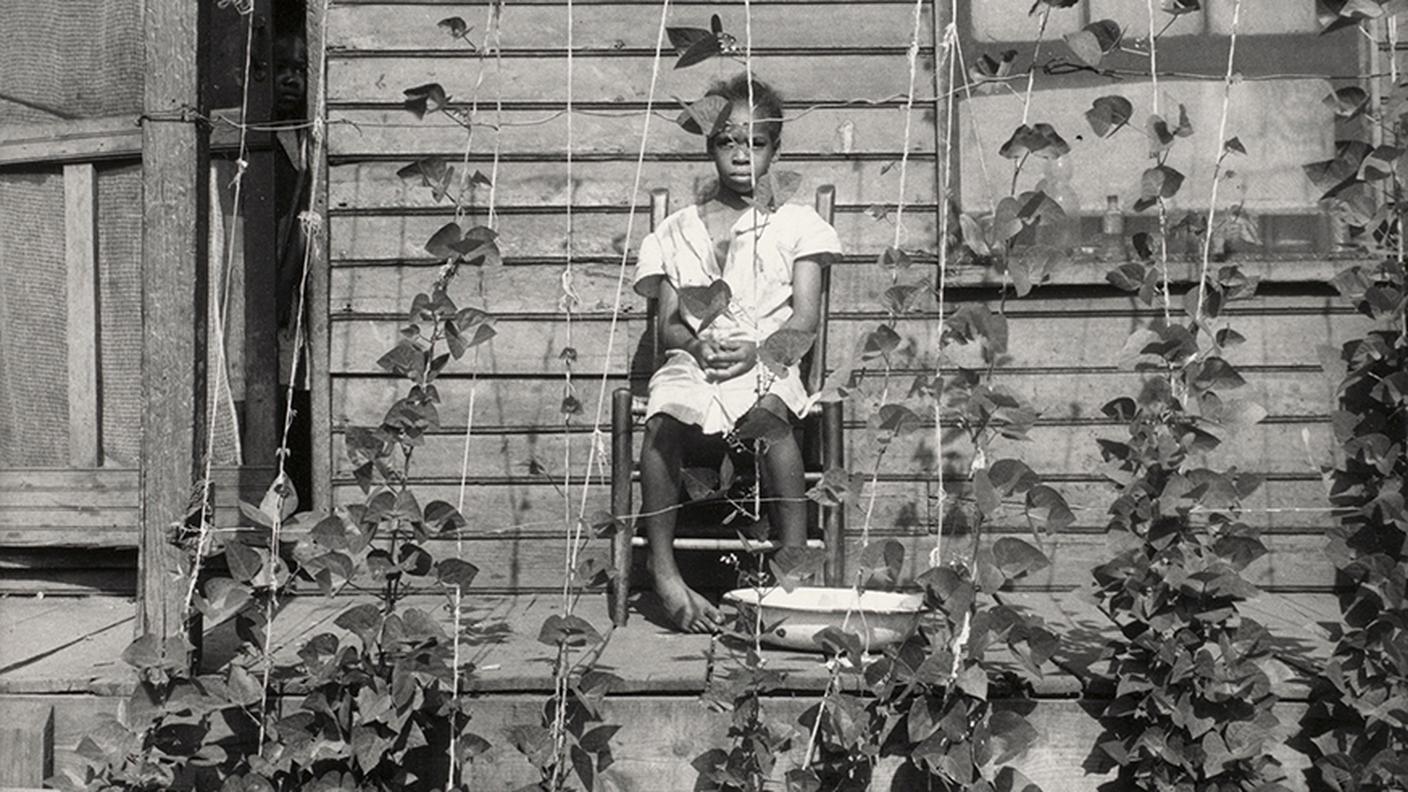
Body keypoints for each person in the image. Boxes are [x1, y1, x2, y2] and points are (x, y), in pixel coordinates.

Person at [631, 74, 842, 632]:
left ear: (776, 148)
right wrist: (697, 345)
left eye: (756, 142)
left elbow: (805, 320)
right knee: (662, 422)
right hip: (696, 361)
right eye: (728, 141)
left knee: (769, 420)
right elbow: (670, 326)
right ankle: (666, 573)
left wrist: (760, 356)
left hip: (769, 359)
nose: (742, 155)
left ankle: (791, 578)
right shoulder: (676, 231)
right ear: (711, 147)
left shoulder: (798, 225)